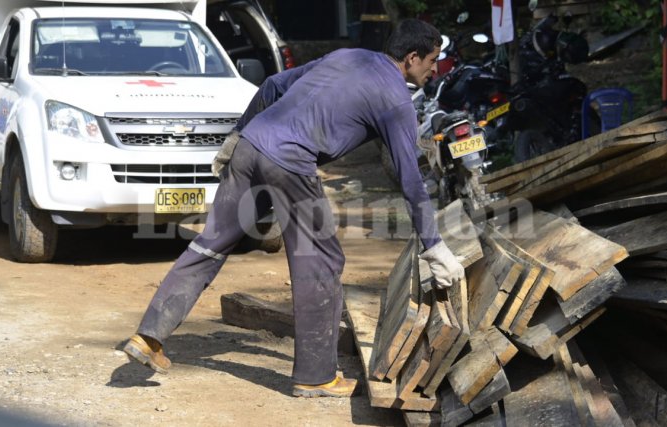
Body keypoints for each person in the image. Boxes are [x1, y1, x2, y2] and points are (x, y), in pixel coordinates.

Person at [122, 18, 465, 398]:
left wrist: (237, 136)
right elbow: (410, 179)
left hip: (251, 145)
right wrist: (434, 248)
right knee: (321, 259)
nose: (435, 70)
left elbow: (272, 85)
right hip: (290, 162)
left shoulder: (348, 56)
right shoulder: (396, 100)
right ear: (412, 57)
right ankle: (316, 376)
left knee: (211, 243)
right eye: (432, 60)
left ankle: (148, 336)